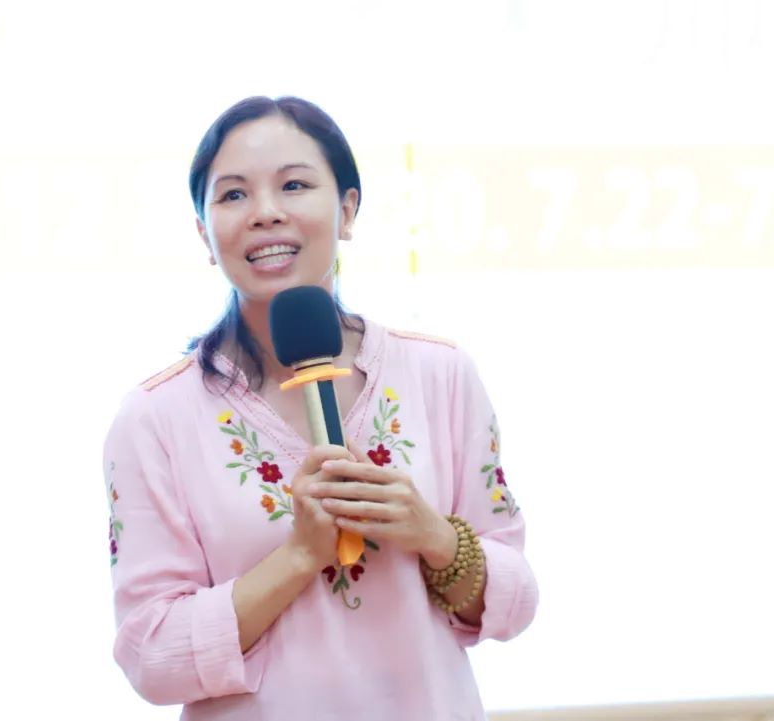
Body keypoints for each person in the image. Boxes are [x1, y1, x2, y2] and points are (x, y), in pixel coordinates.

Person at [102, 96, 538, 720]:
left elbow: (515, 601)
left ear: (348, 209)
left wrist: (434, 536)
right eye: (233, 195)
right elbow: (152, 656)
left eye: (295, 185)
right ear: (204, 234)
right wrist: (299, 555)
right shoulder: (153, 419)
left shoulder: (441, 374)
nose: (266, 213)